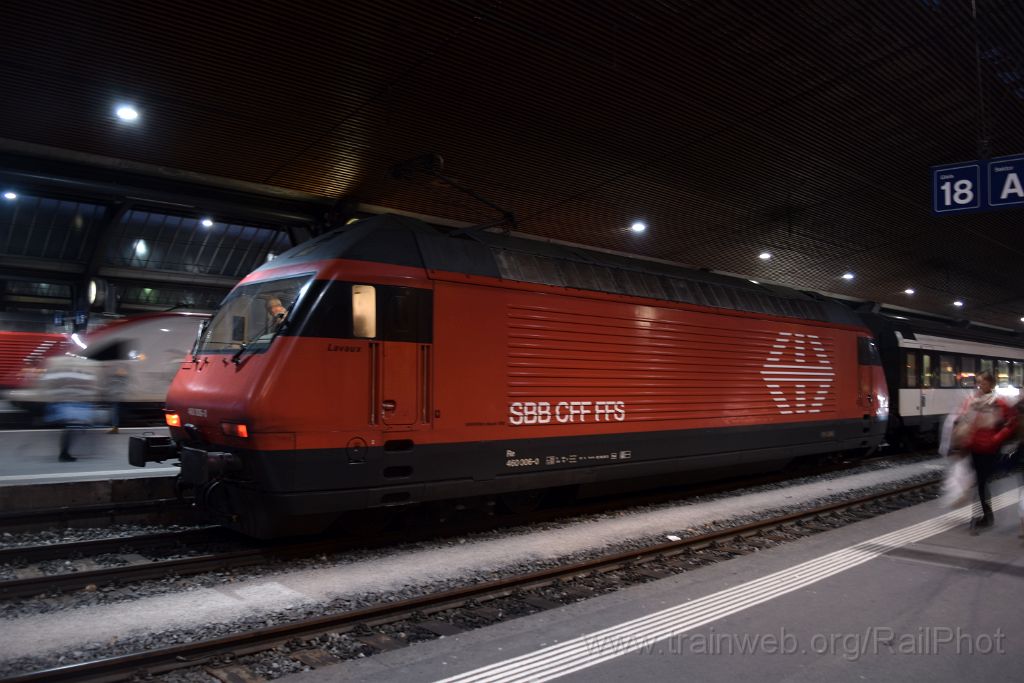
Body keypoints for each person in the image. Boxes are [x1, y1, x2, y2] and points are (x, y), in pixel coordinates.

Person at [953, 370, 1017, 531]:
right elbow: (964, 419)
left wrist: (996, 438)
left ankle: (983, 516)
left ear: (991, 384)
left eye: (983, 382)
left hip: (990, 448)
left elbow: (1012, 423)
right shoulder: (973, 400)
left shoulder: (999, 402)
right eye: (979, 382)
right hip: (974, 446)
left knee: (981, 482)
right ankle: (984, 514)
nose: (980, 385)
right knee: (979, 482)